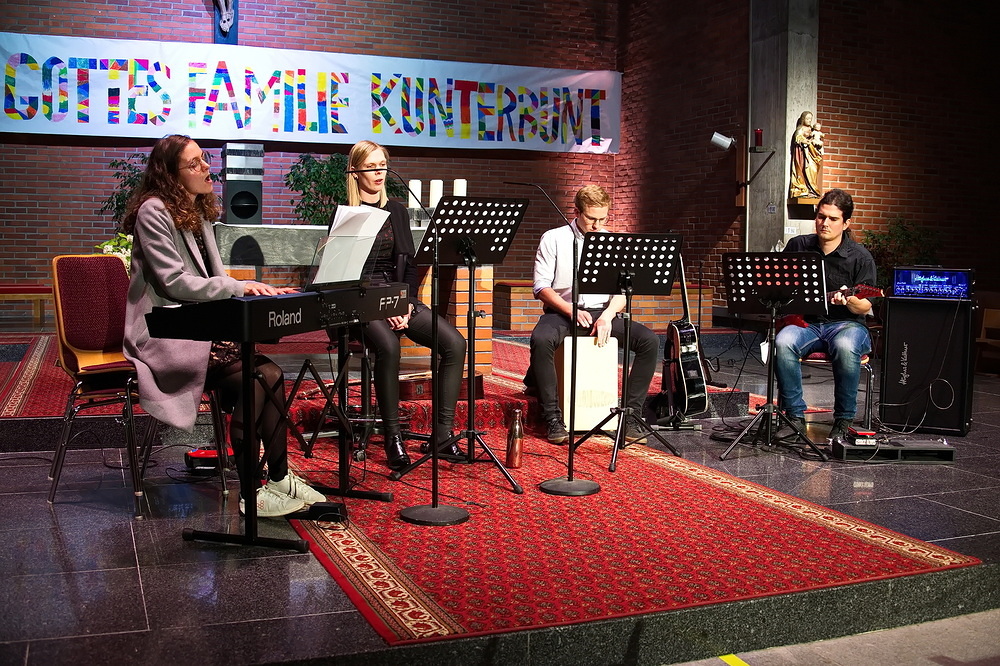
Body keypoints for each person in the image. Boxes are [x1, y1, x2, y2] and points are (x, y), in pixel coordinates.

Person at [122, 134, 325, 517]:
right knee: (258, 378)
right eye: (194, 163)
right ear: (170, 174)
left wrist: (261, 292)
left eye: (204, 159)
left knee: (269, 375)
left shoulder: (195, 211)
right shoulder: (153, 211)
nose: (206, 168)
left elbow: (213, 279)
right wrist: (238, 286)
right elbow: (174, 282)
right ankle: (250, 493)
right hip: (164, 331)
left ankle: (279, 481)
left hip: (198, 326)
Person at [339, 140, 467, 471]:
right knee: (389, 347)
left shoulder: (396, 211)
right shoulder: (346, 214)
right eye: (371, 166)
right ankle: (393, 436)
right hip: (359, 300)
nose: (379, 172)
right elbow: (344, 275)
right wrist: (384, 307)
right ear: (355, 172)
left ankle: (443, 435)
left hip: (396, 296)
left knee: (455, 344)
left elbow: (408, 266)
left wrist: (404, 302)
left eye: (382, 165)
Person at [525, 184, 659, 444]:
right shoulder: (554, 238)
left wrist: (608, 315)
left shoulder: (612, 241)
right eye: (591, 218)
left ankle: (631, 416)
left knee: (649, 341)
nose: (597, 225)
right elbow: (541, 287)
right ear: (576, 212)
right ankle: (552, 417)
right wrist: (570, 310)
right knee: (541, 340)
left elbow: (623, 290)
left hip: (602, 313)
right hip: (563, 311)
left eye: (603, 219)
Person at [775, 188, 877, 443]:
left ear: (846, 223)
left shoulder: (860, 257)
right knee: (783, 341)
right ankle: (794, 418)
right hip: (806, 322)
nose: (825, 223)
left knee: (845, 345)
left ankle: (843, 420)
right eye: (821, 216)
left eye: (833, 218)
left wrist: (851, 301)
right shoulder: (798, 246)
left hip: (847, 325)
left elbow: (866, 306)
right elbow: (780, 285)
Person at [789, 111, 824, 199]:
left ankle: (812, 190)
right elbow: (797, 137)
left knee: (813, 170)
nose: (809, 120)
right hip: (804, 154)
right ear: (803, 119)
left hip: (812, 152)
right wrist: (805, 141)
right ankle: (803, 189)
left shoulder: (812, 129)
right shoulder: (800, 129)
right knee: (804, 170)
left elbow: (816, 137)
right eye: (807, 118)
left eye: (810, 119)